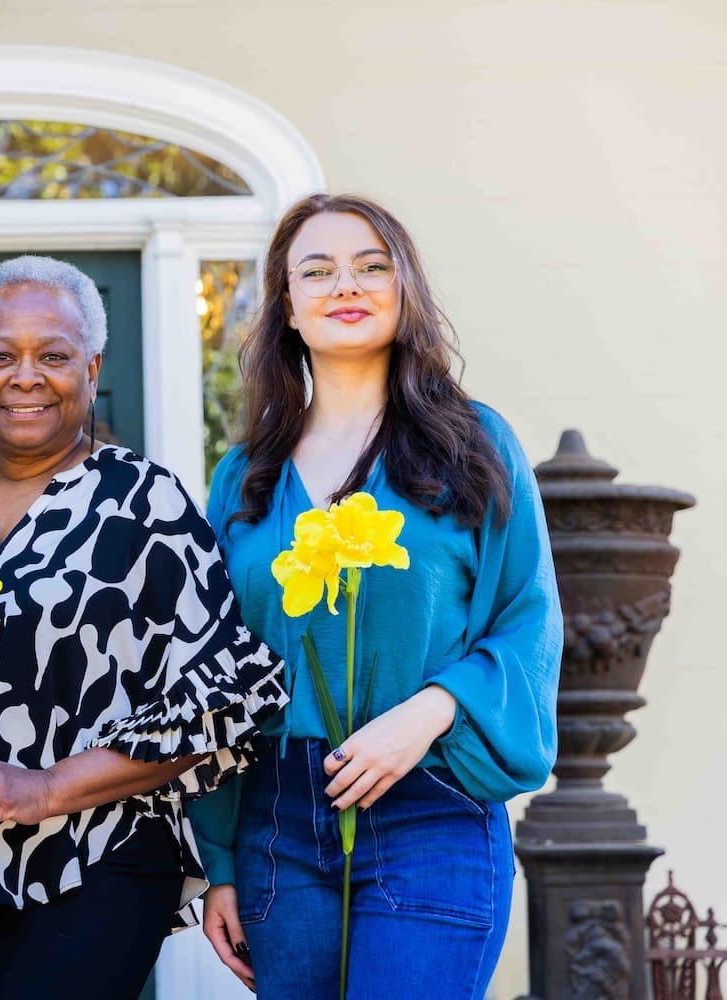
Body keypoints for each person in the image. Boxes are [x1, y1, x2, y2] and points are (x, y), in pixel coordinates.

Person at [0, 255, 288, 1000]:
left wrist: (46, 787)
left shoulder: (145, 504)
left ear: (91, 369)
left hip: (98, 852)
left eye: (53, 356)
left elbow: (228, 696)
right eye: (1, 356)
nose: (25, 376)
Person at [186, 193, 562, 998]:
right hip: (278, 819)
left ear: (404, 289)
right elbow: (214, 671)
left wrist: (427, 711)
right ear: (287, 306)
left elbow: (527, 616)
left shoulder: (476, 445)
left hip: (431, 802)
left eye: (370, 265)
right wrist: (218, 861)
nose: (344, 285)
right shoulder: (243, 474)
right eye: (315, 271)